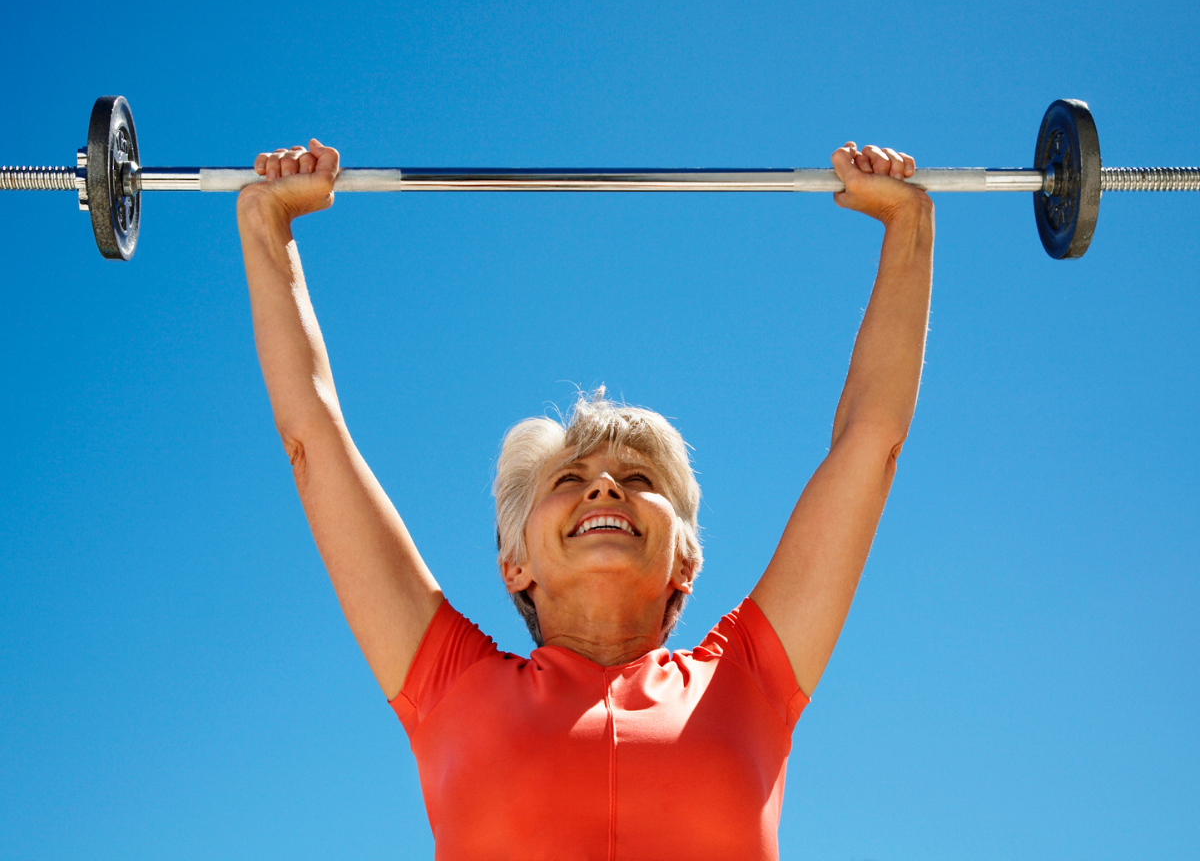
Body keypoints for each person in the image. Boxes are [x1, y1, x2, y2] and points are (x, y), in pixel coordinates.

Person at [237, 138, 933, 861]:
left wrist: (908, 226)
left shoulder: (748, 678)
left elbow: (869, 442)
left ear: (685, 561)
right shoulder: (448, 683)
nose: (605, 486)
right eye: (569, 481)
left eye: (640, 482)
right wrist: (268, 226)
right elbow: (312, 442)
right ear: (514, 563)